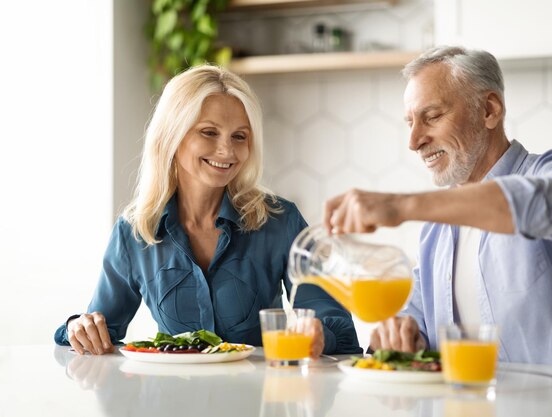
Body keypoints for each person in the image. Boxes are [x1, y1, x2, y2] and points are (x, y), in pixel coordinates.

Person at [323, 46, 552, 367]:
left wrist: (401, 205)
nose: (414, 141)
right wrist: (405, 336)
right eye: (410, 122)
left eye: (433, 116)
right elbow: (417, 319)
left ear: (489, 110)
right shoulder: (436, 228)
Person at [54, 65, 361, 356]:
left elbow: (340, 329)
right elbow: (100, 329)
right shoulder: (134, 233)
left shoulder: (280, 221)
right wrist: (77, 327)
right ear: (172, 136)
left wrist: (319, 334)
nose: (227, 151)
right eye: (209, 132)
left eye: (239, 136)